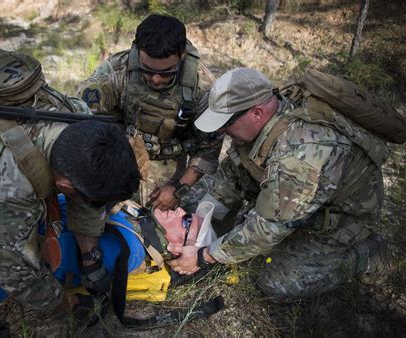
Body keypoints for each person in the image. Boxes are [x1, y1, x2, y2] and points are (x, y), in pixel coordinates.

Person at [167, 67, 390, 301]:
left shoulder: (301, 153)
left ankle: (368, 254)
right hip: (294, 199)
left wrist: (204, 257)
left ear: (256, 113)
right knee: (219, 216)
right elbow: (231, 176)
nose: (223, 131)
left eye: (226, 123)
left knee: (275, 283)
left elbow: (268, 228)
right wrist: (198, 229)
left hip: (339, 219)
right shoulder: (263, 124)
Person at [0, 118, 140, 335]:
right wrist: (70, 302)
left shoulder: (84, 128)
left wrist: (90, 256)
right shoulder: (5, 191)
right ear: (64, 186)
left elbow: (84, 194)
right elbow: (16, 275)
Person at [78, 13, 222, 210]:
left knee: (156, 230)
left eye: (166, 72)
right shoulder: (119, 68)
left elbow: (208, 151)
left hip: (167, 170)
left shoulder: (202, 87)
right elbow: (82, 113)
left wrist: (178, 188)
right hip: (118, 157)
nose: (155, 79)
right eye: (147, 69)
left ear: (182, 56)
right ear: (138, 52)